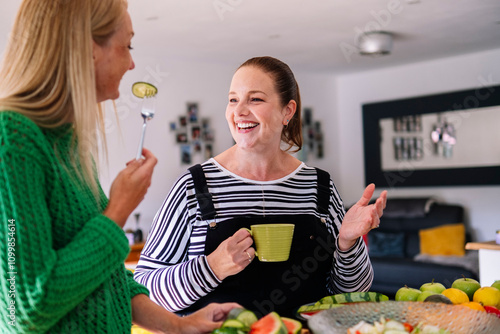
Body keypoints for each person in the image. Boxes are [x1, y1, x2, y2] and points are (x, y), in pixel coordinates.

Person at [0, 0, 238, 333]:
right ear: (87, 48)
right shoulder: (12, 140)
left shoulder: (65, 143)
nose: (132, 63)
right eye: (127, 46)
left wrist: (181, 326)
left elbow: (104, 273)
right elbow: (22, 309)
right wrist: (118, 212)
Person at [134, 56, 388, 317]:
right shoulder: (194, 186)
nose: (239, 111)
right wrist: (211, 268)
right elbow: (143, 291)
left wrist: (348, 243)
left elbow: (349, 293)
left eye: (255, 99)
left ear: (287, 111)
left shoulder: (318, 186)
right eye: (233, 99)